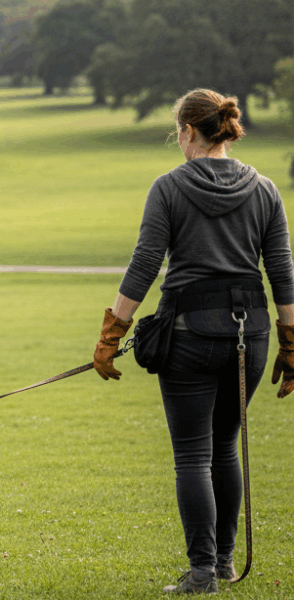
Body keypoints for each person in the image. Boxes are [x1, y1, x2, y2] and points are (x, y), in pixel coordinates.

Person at [92, 89, 294, 594]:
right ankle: (223, 563)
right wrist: (291, 344)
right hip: (254, 334)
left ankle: (203, 571)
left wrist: (112, 331)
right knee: (225, 445)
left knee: (192, 455)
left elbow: (144, 265)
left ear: (187, 131)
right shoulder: (266, 189)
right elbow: (283, 274)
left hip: (190, 333)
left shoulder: (169, 187)